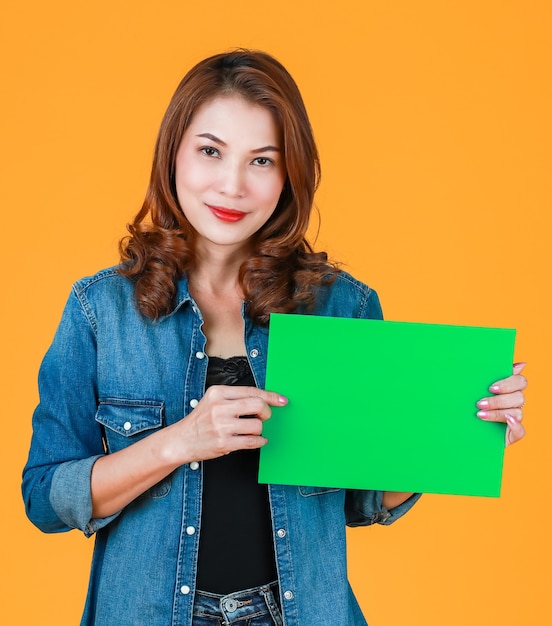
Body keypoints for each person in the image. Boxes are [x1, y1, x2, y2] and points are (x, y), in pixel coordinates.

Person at [22, 50, 527, 626]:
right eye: (210, 151)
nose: (232, 186)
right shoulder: (99, 311)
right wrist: (180, 441)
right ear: (173, 156)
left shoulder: (342, 307)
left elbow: (362, 502)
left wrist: (456, 435)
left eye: (262, 161)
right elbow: (46, 498)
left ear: (289, 176)